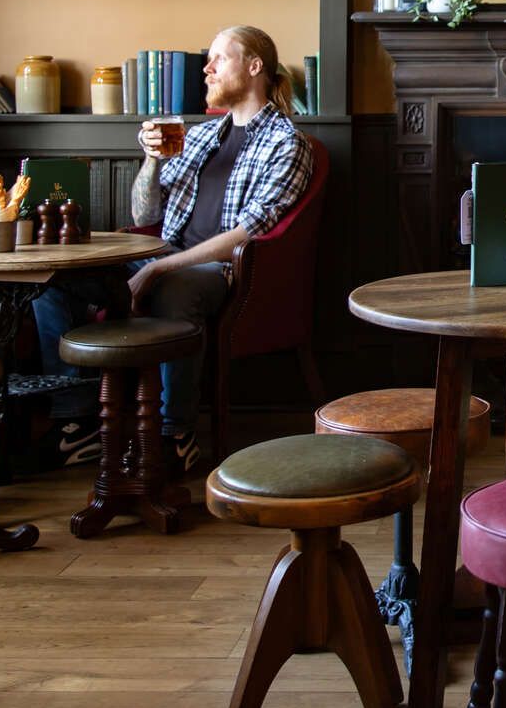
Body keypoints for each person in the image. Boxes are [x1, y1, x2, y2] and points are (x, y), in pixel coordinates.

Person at [30, 25, 312, 474]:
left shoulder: (286, 143)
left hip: (218, 271)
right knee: (52, 283)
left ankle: (173, 434)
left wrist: (161, 269)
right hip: (161, 254)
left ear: (255, 67)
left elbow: (248, 232)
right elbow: (145, 210)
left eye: (220, 58)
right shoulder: (196, 136)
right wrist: (151, 161)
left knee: (175, 288)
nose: (208, 67)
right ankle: (76, 425)